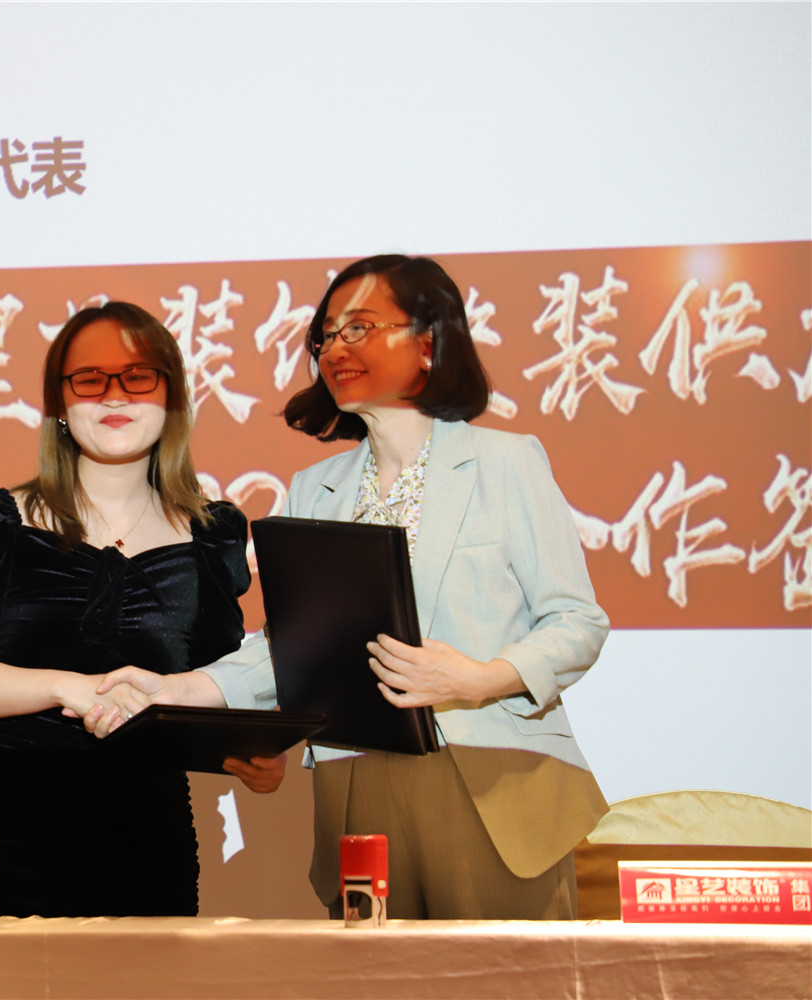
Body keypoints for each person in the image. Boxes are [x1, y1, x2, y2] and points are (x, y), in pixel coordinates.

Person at [86, 255, 610, 919]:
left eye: (360, 328)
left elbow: (576, 622)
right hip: (356, 779)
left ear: (428, 343)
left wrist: (480, 677)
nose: (336, 349)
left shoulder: (506, 462)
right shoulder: (314, 488)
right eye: (327, 335)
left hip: (489, 777)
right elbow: (292, 648)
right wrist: (176, 690)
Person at [0, 300, 252, 918]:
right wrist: (68, 686)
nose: (114, 395)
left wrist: (250, 754)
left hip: (148, 838)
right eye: (90, 379)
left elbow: (215, 685)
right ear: (60, 404)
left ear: (172, 397)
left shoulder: (211, 538)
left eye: (138, 376)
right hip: (1, 835)